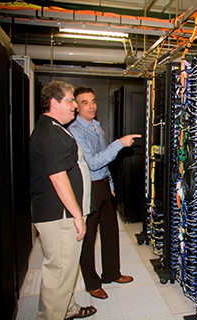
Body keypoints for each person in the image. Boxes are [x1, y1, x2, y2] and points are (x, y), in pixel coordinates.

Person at [29, 81, 96, 320]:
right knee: (58, 273)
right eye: (70, 101)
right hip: (61, 216)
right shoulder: (52, 132)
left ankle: (66, 309)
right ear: (54, 102)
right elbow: (58, 178)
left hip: (59, 214)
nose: (75, 107)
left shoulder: (53, 128)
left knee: (65, 271)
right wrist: (78, 216)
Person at [68, 86, 141, 299]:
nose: (91, 106)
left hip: (103, 185)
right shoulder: (76, 131)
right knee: (88, 237)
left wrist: (110, 186)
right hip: (88, 188)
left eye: (93, 101)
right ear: (76, 106)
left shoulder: (95, 127)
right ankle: (92, 282)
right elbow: (92, 162)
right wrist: (119, 143)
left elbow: (103, 159)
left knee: (110, 232)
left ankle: (111, 273)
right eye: (84, 102)